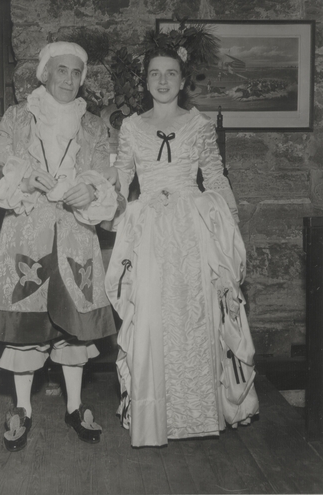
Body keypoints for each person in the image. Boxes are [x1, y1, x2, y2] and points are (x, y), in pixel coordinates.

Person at [104, 47, 259, 448]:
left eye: (170, 73)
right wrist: (111, 214)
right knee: (153, 315)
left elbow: (216, 176)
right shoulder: (132, 128)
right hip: (152, 229)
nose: (162, 80)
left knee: (198, 314)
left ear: (182, 79)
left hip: (193, 231)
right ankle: (157, 415)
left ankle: (198, 411)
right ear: (145, 80)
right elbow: (121, 178)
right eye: (155, 73)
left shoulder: (199, 125)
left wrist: (231, 226)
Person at [0, 41, 118, 451]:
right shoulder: (18, 117)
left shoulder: (92, 125)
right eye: (61, 71)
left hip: (74, 235)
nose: (69, 80)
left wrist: (90, 191)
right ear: (45, 73)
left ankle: (74, 405)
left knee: (74, 327)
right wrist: (22, 176)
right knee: (25, 326)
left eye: (76, 73)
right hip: (27, 232)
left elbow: (106, 175)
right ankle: (23, 407)